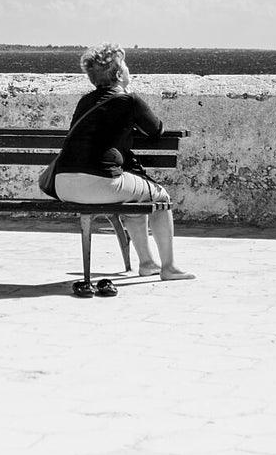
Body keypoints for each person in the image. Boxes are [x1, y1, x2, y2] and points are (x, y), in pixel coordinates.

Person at [52, 43, 193, 281]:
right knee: (161, 198)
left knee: (135, 196)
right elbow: (155, 130)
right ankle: (168, 268)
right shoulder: (129, 100)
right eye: (125, 66)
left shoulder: (85, 102)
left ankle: (147, 263)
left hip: (63, 185)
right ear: (119, 74)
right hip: (99, 183)